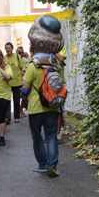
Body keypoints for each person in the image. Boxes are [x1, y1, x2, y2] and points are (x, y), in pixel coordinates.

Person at [23, 16, 66, 178]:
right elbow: (61, 84)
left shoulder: (32, 66)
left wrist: (24, 95)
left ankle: (42, 164)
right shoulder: (57, 65)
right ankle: (52, 165)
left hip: (35, 108)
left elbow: (25, 89)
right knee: (51, 136)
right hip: (53, 106)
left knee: (37, 137)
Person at [4, 42, 24, 122]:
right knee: (7, 101)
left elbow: (22, 67)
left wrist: (22, 77)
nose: (7, 49)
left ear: (12, 48)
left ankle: (16, 117)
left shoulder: (17, 56)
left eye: (9, 48)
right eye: (6, 48)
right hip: (7, 83)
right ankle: (7, 117)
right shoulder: (4, 58)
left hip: (17, 82)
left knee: (16, 101)